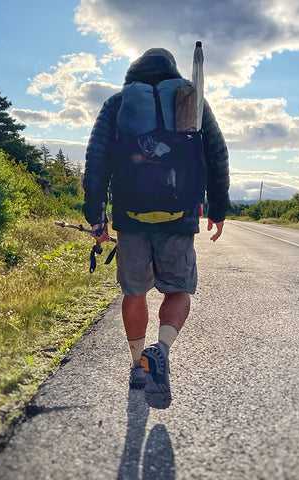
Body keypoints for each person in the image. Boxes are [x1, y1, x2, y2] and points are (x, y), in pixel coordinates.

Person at [83, 47, 229, 409]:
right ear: (172, 72)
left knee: (134, 292)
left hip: (131, 215)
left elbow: (96, 160)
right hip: (179, 214)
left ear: (132, 75)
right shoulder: (190, 102)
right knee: (178, 289)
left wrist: (96, 216)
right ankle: (159, 350)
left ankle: (137, 366)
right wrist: (219, 207)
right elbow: (216, 152)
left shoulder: (117, 104)